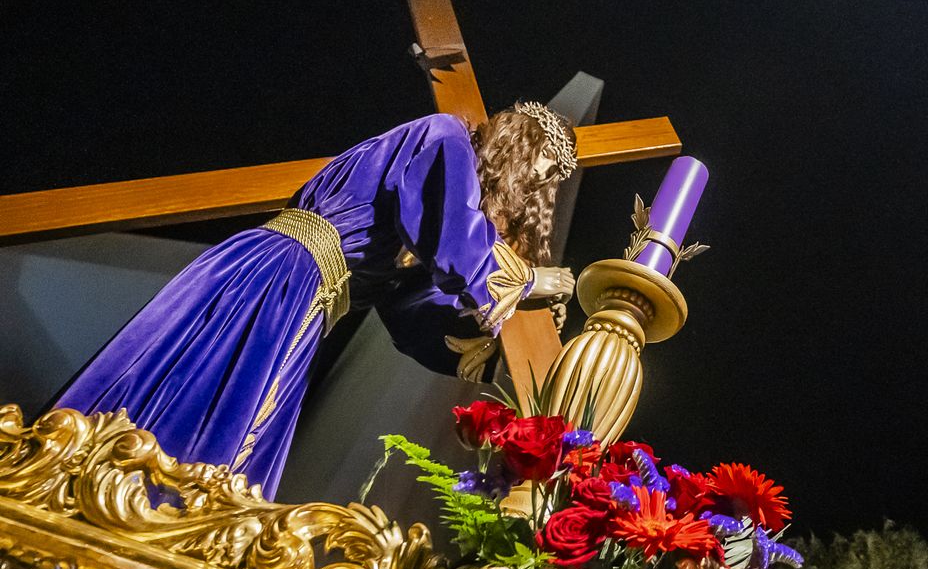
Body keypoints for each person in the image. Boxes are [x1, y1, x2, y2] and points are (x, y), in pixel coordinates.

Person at [53, 102, 578, 499]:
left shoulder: (435, 210)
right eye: (545, 163)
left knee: (234, 443)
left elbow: (408, 309)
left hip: (307, 307)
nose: (540, 182)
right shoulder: (444, 139)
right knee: (193, 398)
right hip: (276, 278)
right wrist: (526, 281)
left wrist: (492, 335)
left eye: (554, 177)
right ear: (518, 141)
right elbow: (458, 244)